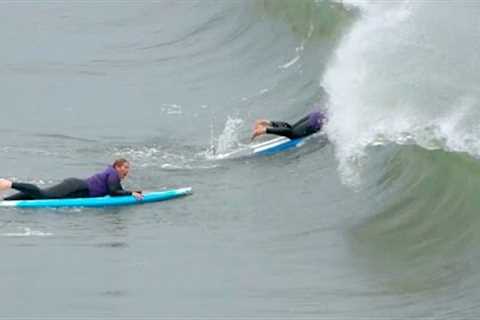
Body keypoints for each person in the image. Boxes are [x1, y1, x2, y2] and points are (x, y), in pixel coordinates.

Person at [0, 159, 143, 201]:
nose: (127, 170)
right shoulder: (113, 174)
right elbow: (113, 192)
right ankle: (9, 184)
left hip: (76, 186)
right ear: (117, 167)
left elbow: (117, 190)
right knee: (44, 195)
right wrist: (131, 194)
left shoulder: (111, 173)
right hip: (76, 187)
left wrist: (131, 192)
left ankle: (6, 202)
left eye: (128, 168)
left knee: (42, 193)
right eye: (125, 167)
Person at [251, 109, 326, 141]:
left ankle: (266, 123)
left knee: (292, 128)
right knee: (292, 133)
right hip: (318, 121)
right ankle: (264, 130)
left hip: (316, 115)